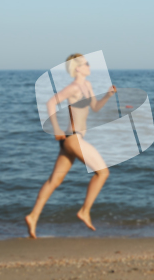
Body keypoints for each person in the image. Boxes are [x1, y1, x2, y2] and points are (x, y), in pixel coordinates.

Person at [25, 53, 116, 239]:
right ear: (77, 68)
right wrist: (56, 129)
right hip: (73, 138)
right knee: (103, 172)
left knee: (54, 181)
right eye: (86, 63)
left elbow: (96, 107)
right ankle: (84, 211)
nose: (89, 65)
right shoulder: (73, 87)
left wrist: (107, 95)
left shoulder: (87, 86)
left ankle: (33, 216)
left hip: (71, 140)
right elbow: (51, 102)